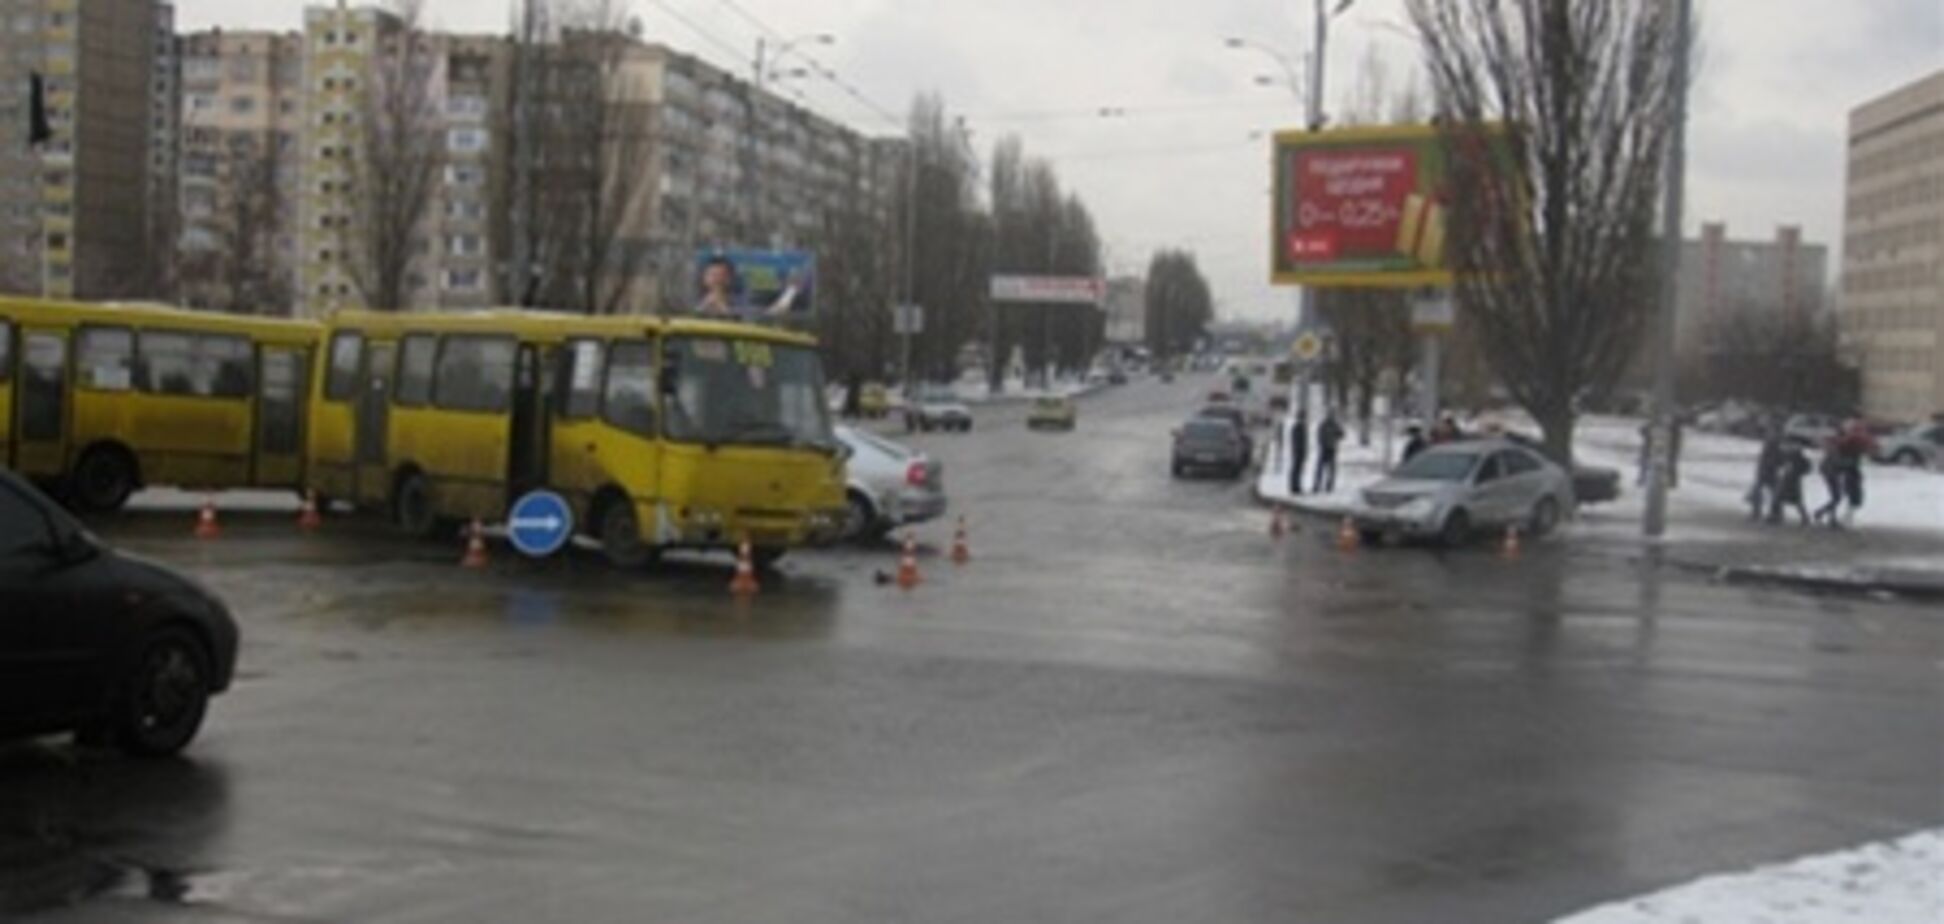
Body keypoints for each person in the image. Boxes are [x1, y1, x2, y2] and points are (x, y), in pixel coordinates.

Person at [1770, 439, 1812, 526]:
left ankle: (1777, 516)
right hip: (1789, 480)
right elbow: (1780, 461)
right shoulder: (1793, 456)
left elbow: (1806, 469)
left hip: (1791, 480)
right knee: (1783, 498)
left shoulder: (1797, 458)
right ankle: (1777, 516)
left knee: (1785, 498)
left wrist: (1796, 472)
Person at [1747, 433, 1783, 520]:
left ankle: (1772, 514)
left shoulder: (1776, 449)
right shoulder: (1772, 448)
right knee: (1762, 492)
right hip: (1767, 473)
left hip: (1769, 473)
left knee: (1772, 493)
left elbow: (1778, 461)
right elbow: (1764, 461)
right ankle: (1769, 513)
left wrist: (1768, 467)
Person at [1313, 411, 1344, 493]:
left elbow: (1341, 434)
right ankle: (1318, 485)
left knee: (1330, 469)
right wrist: (1323, 443)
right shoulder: (1324, 425)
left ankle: (1328, 486)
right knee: (1322, 469)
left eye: (1332, 415)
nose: (1331, 417)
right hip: (1325, 449)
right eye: (1330, 415)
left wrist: (1337, 435)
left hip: (1331, 449)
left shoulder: (1334, 425)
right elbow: (1319, 436)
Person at [1287, 411, 1309, 497]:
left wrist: (1305, 451)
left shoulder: (1302, 427)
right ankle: (1294, 487)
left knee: (1299, 470)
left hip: (1301, 451)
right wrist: (1296, 450)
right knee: (1296, 470)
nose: (1304, 419)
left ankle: (1297, 486)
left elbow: (1304, 441)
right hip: (1298, 451)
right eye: (1303, 418)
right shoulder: (1297, 427)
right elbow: (1295, 441)